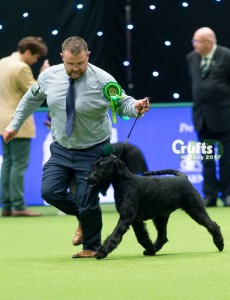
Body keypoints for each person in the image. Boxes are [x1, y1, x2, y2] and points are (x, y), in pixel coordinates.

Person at [2, 36, 150, 258]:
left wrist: (135, 106)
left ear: (87, 56)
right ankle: (83, 217)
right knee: (49, 191)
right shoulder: (48, 76)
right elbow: (30, 100)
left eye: (80, 63)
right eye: (70, 64)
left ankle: (92, 246)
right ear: (62, 58)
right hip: (61, 148)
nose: (75, 68)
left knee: (88, 199)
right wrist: (14, 125)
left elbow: (122, 103)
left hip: (94, 149)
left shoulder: (102, 79)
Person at [186, 27, 230, 207]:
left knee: (226, 159)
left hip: (224, 116)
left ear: (209, 42)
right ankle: (210, 195)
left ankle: (227, 195)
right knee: (207, 159)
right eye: (194, 41)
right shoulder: (192, 58)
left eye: (197, 41)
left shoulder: (228, 57)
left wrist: (229, 106)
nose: (194, 45)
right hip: (202, 117)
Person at [0, 36, 49, 217]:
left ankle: (6, 206)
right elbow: (36, 93)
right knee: (18, 165)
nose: (35, 61)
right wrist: (43, 75)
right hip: (17, 122)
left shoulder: (2, 62)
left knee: (8, 163)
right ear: (28, 52)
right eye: (35, 57)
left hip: (2, 120)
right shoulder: (21, 68)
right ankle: (19, 206)